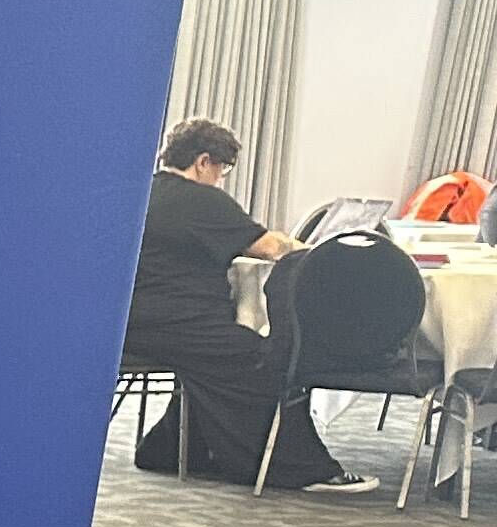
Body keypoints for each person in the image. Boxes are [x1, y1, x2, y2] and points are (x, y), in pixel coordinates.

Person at [127, 119, 372, 493]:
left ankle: (171, 451)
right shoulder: (200, 200)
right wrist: (318, 250)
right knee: (266, 361)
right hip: (180, 324)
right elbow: (269, 247)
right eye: (222, 170)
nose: (221, 178)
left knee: (217, 363)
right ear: (202, 161)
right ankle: (299, 469)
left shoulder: (146, 190)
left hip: (135, 324)